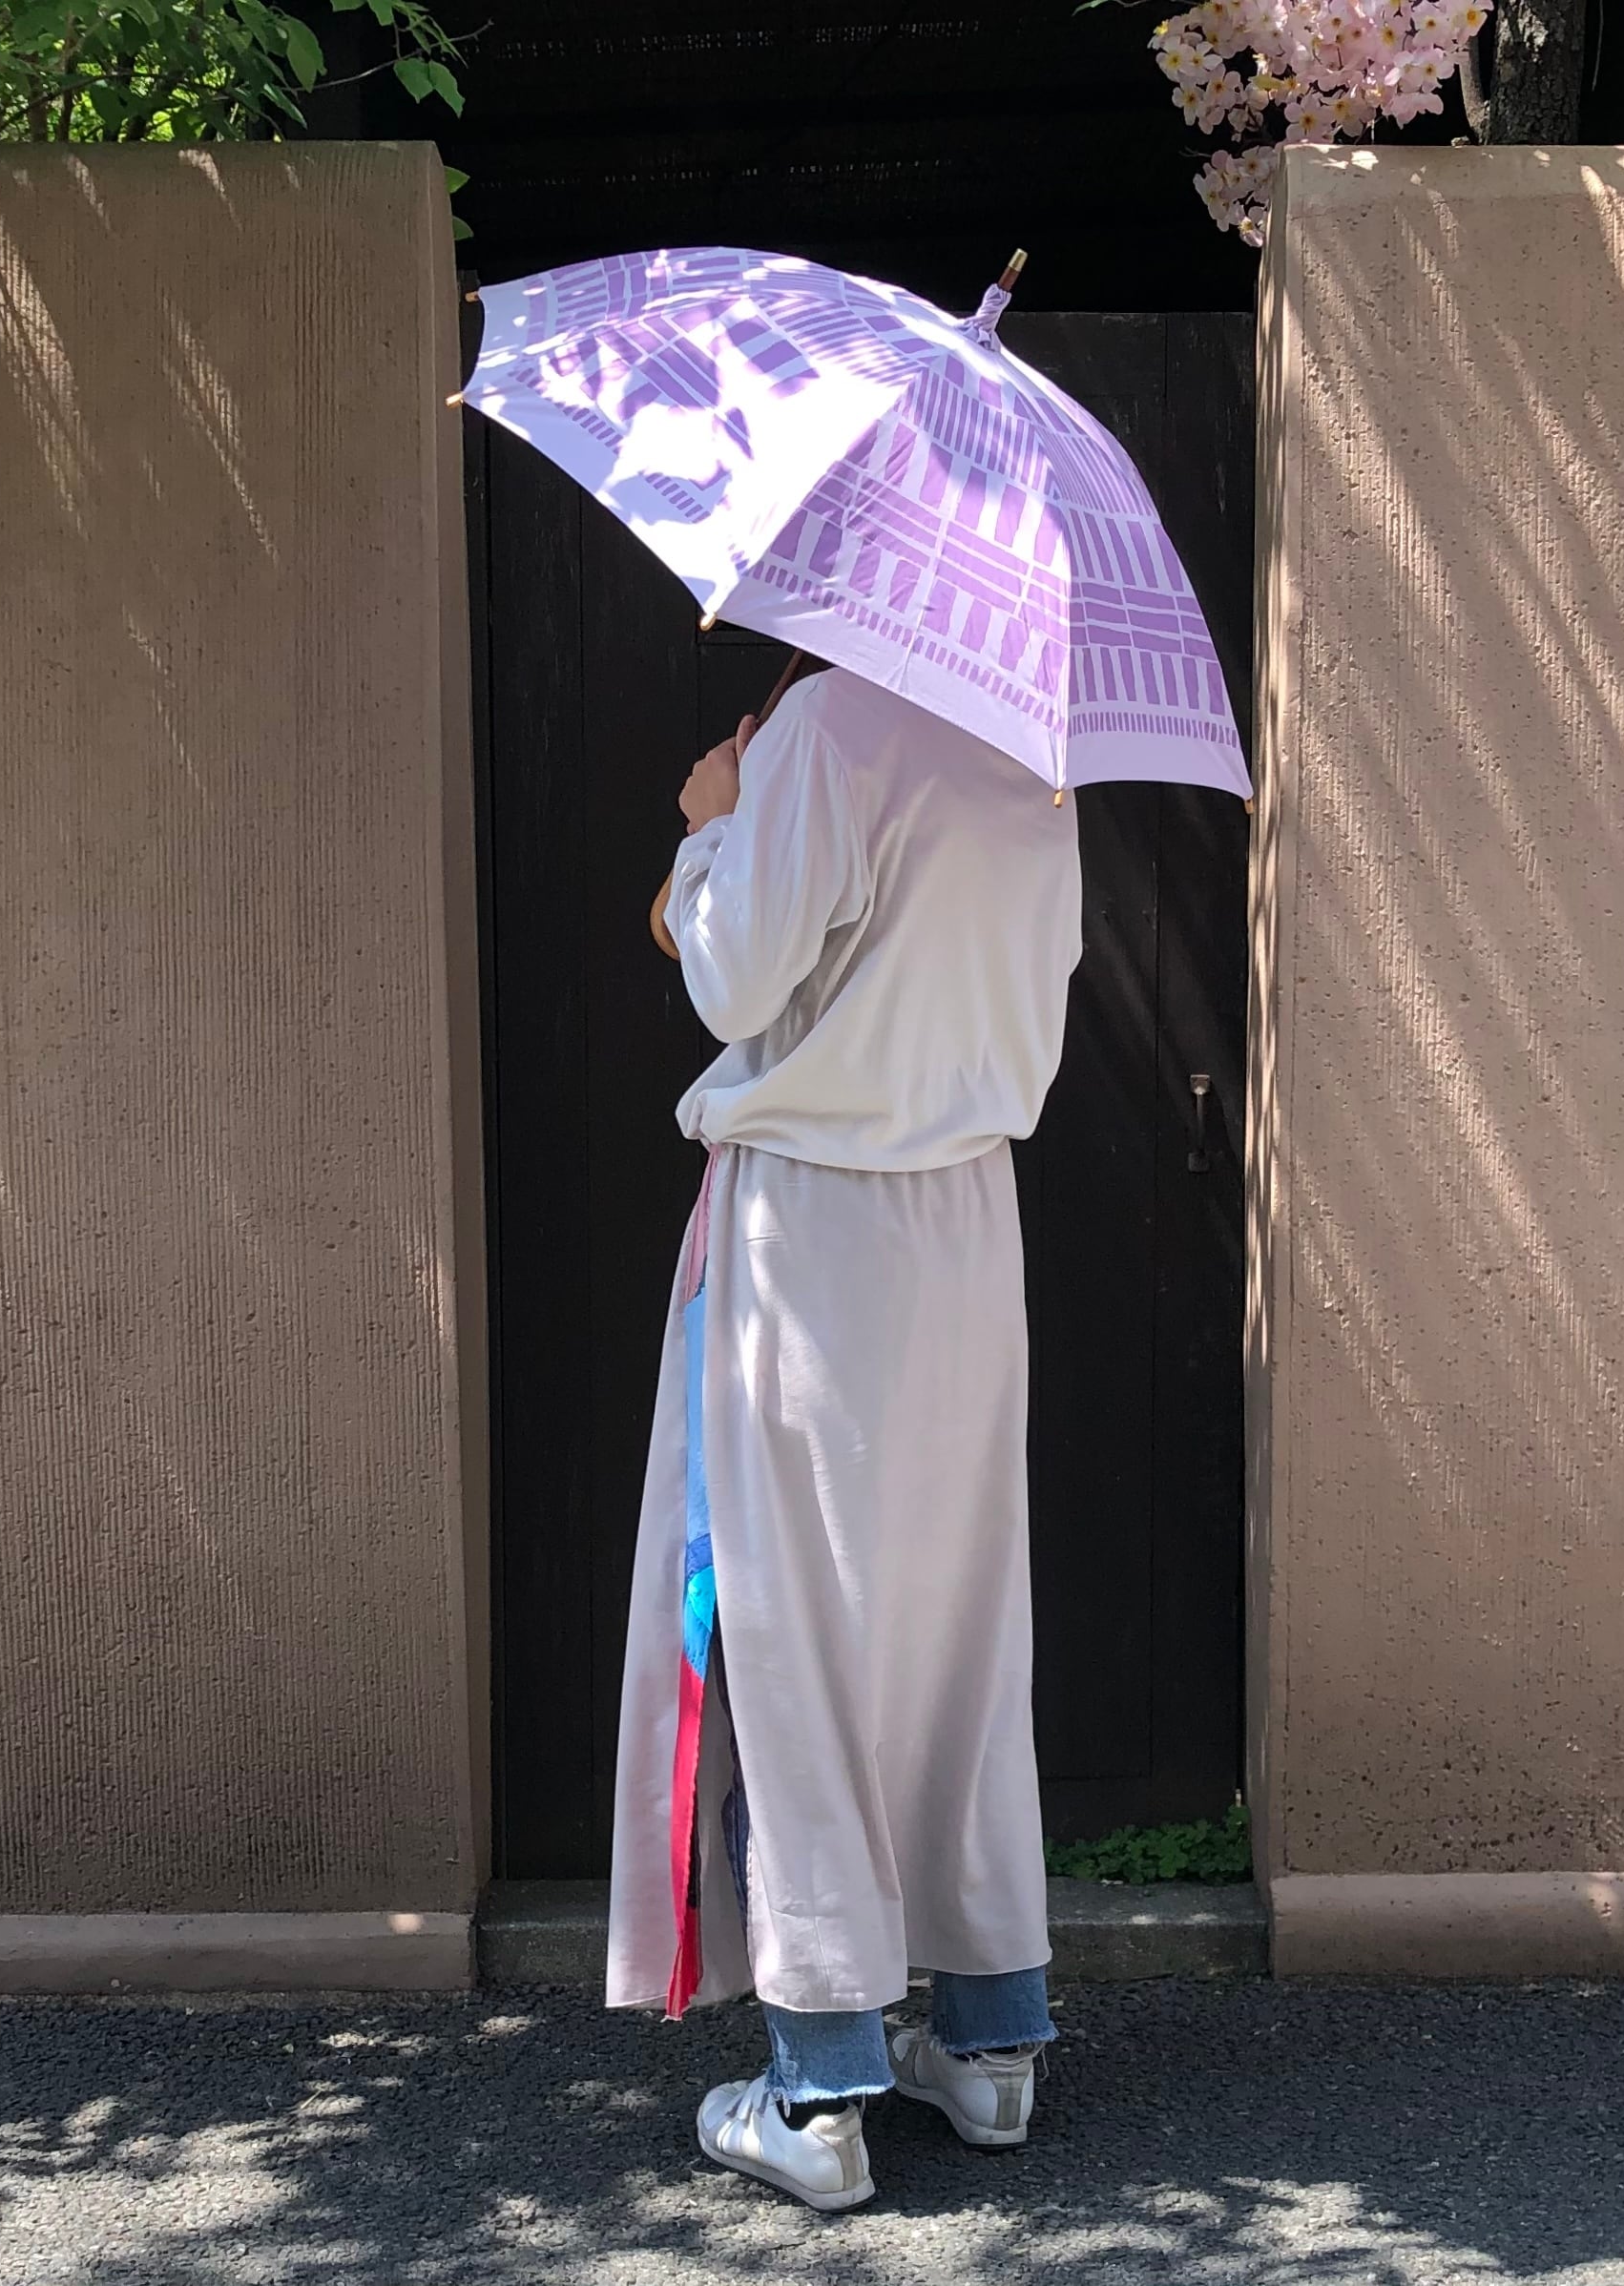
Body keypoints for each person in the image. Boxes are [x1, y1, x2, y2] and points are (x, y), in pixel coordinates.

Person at [606, 657, 1085, 2213]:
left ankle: (820, 2088)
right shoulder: (1033, 749)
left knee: (797, 1629)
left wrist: (707, 828)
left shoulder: (825, 727)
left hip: (817, 1220)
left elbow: (729, 983)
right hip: (968, 1223)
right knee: (961, 1626)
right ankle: (994, 2044)